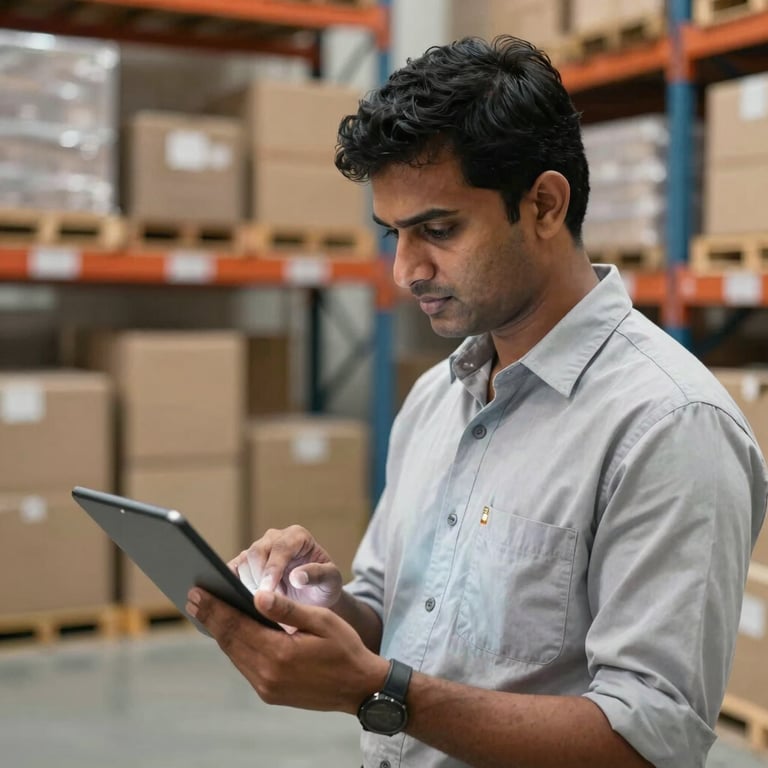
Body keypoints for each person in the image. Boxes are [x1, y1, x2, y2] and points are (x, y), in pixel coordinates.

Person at [186, 36, 768, 768]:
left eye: (438, 229)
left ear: (545, 205)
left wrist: (381, 692)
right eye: (393, 235)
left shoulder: (670, 427)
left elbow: (649, 740)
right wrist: (319, 607)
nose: (405, 270)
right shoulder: (436, 398)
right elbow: (387, 611)